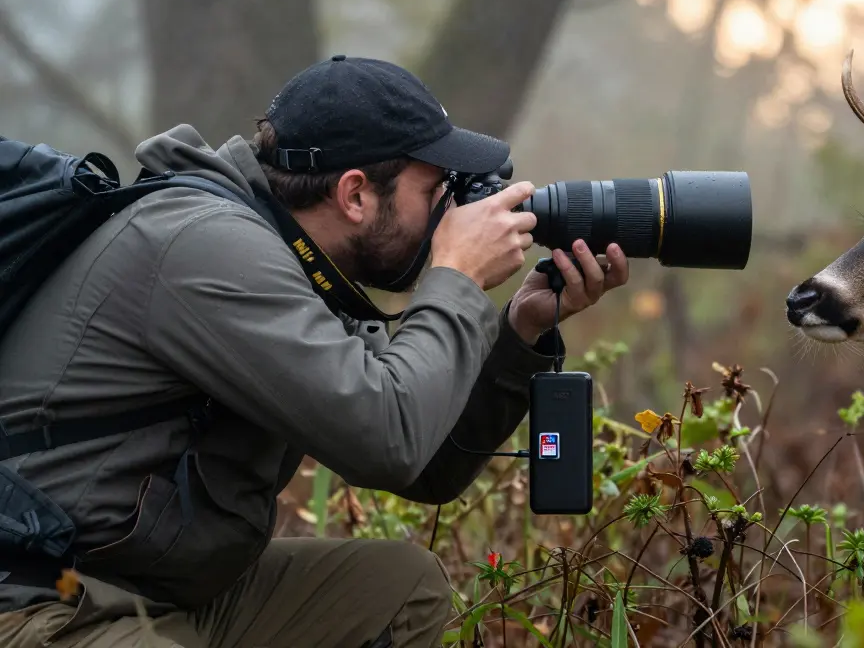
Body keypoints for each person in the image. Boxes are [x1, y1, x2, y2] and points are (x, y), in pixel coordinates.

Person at [0, 55, 630, 647]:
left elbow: (426, 462)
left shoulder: (291, 260)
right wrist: (456, 278)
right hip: (40, 601)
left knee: (398, 592)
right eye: (435, 187)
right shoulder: (206, 249)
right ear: (355, 195)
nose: (451, 209)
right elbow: (387, 439)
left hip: (152, 590)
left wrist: (517, 334)